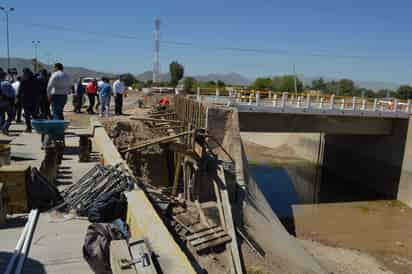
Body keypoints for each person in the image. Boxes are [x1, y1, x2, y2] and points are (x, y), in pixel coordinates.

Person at [19, 68, 41, 132]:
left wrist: (18, 97)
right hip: (34, 99)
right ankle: (37, 127)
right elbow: (39, 89)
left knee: (28, 115)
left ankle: (29, 127)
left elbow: (20, 90)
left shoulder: (23, 79)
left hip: (26, 99)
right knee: (34, 114)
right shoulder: (36, 79)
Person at [0, 68, 16, 135]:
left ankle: (2, 127)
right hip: (7, 101)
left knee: (1, 115)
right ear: (4, 76)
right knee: (11, 115)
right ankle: (5, 127)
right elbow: (13, 93)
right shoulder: (6, 83)